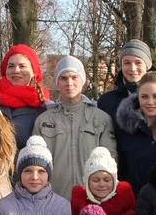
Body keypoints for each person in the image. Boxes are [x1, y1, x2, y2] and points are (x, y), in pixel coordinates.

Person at [32, 56, 117, 199]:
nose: (69, 83)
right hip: (53, 200)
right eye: (63, 78)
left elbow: (111, 162)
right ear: (57, 82)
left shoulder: (101, 119)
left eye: (74, 77)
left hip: (92, 199)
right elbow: (35, 163)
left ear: (82, 80)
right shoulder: (44, 120)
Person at [0, 44, 50, 149]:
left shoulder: (45, 108)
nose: (16, 70)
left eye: (22, 66)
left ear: (33, 72)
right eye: (11, 66)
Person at [98, 39, 153, 122]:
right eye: (127, 63)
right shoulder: (106, 101)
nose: (132, 68)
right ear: (121, 66)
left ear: (147, 66)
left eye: (138, 63)